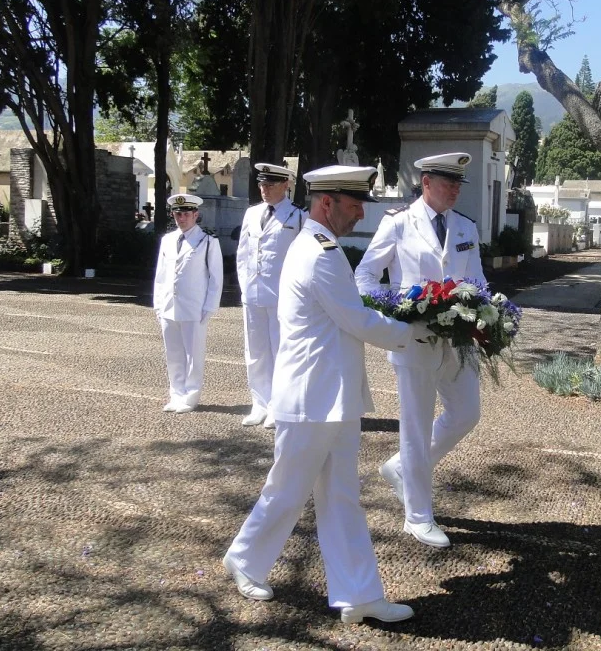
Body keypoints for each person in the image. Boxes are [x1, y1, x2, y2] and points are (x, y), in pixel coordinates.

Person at [223, 165, 422, 624]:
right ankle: (246, 557)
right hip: (313, 397)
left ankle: (359, 595)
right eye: (354, 206)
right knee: (288, 489)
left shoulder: (320, 246)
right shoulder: (319, 252)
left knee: (340, 496)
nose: (359, 215)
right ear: (326, 203)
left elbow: (348, 317)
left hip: (330, 396)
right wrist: (416, 332)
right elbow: (356, 319)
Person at [354, 152, 487, 549]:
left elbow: (476, 278)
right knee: (414, 427)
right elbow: (365, 276)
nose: (455, 190)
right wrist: (394, 312)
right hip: (414, 340)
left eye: (459, 183)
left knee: (466, 413)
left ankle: (400, 469)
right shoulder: (398, 223)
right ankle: (418, 516)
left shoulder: (465, 226)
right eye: (448, 182)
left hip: (458, 338)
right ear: (426, 182)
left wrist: (486, 314)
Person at [236, 163, 306, 427]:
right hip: (253, 293)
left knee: (281, 351)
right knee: (255, 352)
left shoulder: (298, 216)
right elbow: (243, 253)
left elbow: (302, 257)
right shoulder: (252, 214)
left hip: (282, 296)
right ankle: (259, 403)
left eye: (270, 185)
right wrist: (244, 285)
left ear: (285, 185)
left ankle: (279, 405)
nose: (264, 190)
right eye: (262, 185)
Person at [153, 194, 224, 413]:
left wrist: (209, 306)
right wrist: (157, 304)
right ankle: (176, 394)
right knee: (173, 353)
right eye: (177, 214)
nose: (181, 218)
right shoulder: (167, 240)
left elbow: (216, 277)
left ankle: (191, 396)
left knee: (193, 354)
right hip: (168, 305)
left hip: (195, 306)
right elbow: (161, 275)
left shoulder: (207, 241)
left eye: (186, 214)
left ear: (196, 215)